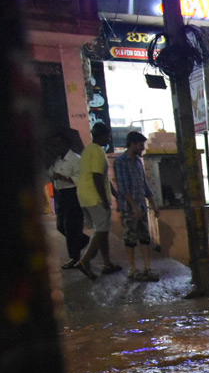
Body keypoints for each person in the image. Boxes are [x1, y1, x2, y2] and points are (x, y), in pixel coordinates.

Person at [74, 121, 120, 279]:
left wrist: (114, 194)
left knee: (103, 229)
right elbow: (97, 177)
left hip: (84, 196)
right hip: (95, 197)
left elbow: (103, 178)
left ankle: (107, 263)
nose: (108, 139)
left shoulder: (88, 150)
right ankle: (84, 261)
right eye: (107, 136)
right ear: (100, 135)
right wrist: (105, 199)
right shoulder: (98, 152)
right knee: (101, 230)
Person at [113, 131, 161, 282]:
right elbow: (123, 187)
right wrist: (133, 207)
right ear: (132, 144)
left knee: (144, 238)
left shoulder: (138, 162)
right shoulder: (121, 162)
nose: (142, 148)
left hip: (140, 206)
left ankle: (147, 268)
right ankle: (133, 269)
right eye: (140, 145)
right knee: (130, 239)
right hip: (129, 208)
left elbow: (144, 184)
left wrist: (153, 204)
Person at [47, 128, 87, 268]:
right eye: (54, 145)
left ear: (66, 144)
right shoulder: (57, 160)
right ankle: (82, 241)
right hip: (61, 194)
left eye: (58, 144)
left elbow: (82, 178)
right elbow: (50, 175)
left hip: (72, 193)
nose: (56, 148)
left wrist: (65, 177)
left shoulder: (76, 159)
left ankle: (74, 258)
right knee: (60, 226)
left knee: (71, 227)